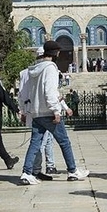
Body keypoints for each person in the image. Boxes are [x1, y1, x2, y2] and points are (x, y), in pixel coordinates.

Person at [19, 40, 89, 185]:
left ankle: (26, 172)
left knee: (35, 143)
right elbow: (50, 91)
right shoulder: (50, 68)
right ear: (56, 53)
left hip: (37, 112)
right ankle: (72, 171)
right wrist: (56, 111)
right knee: (64, 142)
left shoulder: (34, 69)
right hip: (49, 112)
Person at [18, 47, 59, 178]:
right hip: (44, 110)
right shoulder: (46, 69)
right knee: (42, 141)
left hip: (32, 109)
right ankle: (36, 169)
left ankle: (35, 169)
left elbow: (22, 94)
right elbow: (50, 91)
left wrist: (23, 111)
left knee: (40, 141)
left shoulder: (27, 71)